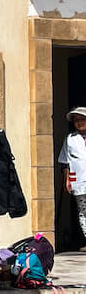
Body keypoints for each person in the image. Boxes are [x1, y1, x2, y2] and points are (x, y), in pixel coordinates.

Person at [59, 106, 86, 250]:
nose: (79, 122)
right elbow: (65, 162)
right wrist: (67, 180)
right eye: (76, 120)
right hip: (79, 180)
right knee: (83, 211)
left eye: (82, 119)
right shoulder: (70, 139)